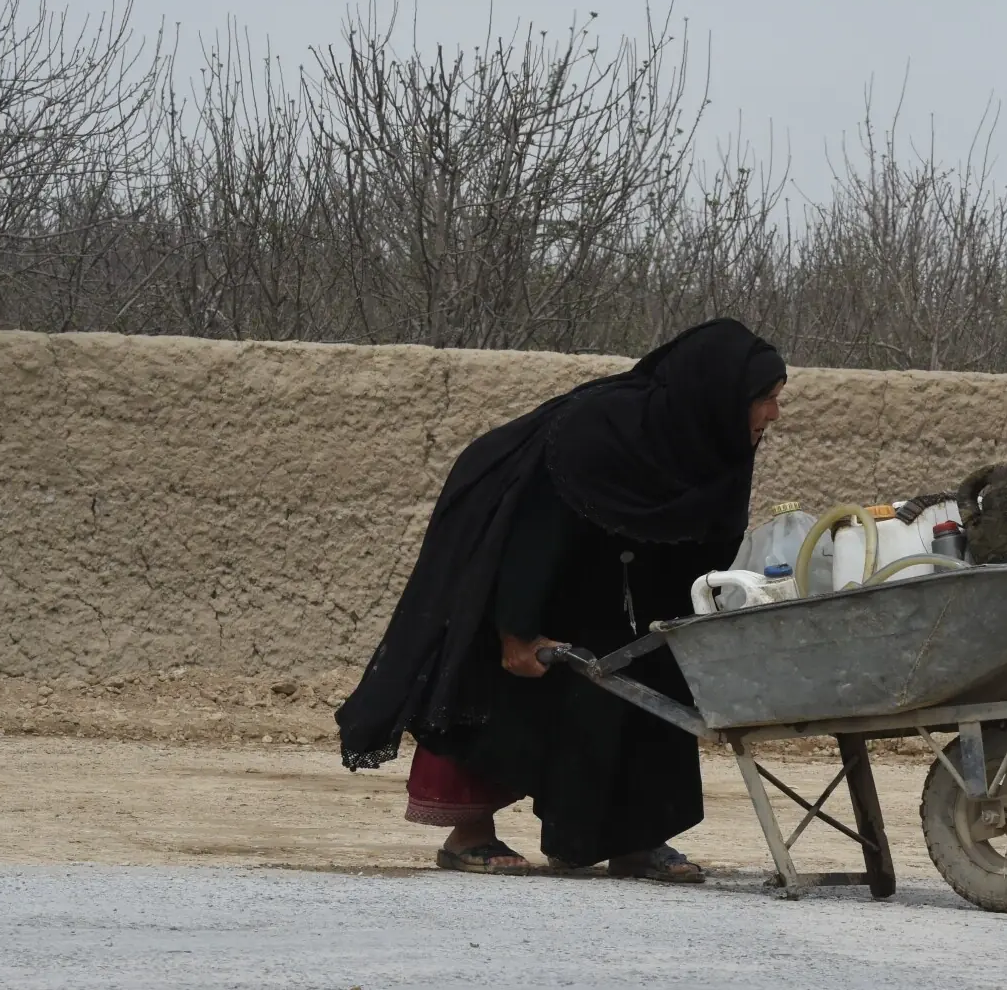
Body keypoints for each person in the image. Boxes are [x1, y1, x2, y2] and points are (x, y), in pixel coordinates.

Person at [335, 319, 787, 880]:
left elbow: (708, 544)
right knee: (507, 684)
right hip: (526, 560)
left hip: (621, 581)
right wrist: (515, 628)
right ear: (719, 393)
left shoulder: (715, 446)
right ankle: (468, 833)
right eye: (765, 399)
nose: (773, 414)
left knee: (647, 685)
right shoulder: (600, 431)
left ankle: (631, 840)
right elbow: (534, 531)